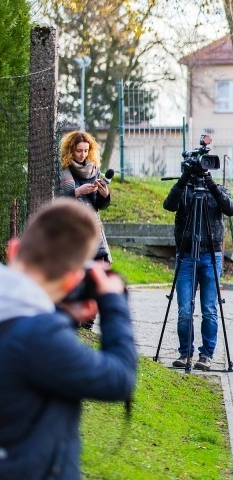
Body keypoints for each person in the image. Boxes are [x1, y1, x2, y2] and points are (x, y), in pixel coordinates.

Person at [0, 198, 136, 480]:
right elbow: (119, 377)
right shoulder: (40, 339)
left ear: (13, 249)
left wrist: (63, 316)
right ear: (73, 280)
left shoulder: (30, 329)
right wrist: (113, 303)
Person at [163, 161, 233, 371]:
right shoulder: (183, 189)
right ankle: (185, 353)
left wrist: (211, 184)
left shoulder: (218, 188)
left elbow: (231, 209)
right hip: (186, 255)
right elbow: (169, 205)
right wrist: (184, 178)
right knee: (185, 310)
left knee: (209, 309)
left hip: (211, 255)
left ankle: (206, 355)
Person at [57, 130, 112, 265]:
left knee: (97, 268)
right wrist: (78, 192)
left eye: (86, 151)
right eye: (79, 151)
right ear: (70, 150)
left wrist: (104, 195)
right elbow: (57, 201)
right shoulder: (62, 170)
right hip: (70, 227)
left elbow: (99, 205)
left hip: (92, 226)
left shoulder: (93, 170)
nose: (83, 155)